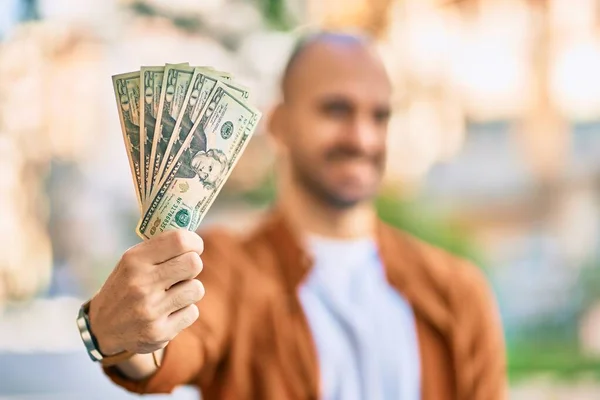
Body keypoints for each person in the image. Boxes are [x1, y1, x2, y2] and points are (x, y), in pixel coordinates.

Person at [81, 31, 506, 400]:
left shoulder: (457, 290)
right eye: (336, 110)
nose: (362, 137)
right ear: (279, 124)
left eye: (379, 115)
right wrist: (117, 334)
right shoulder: (229, 266)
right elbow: (171, 349)